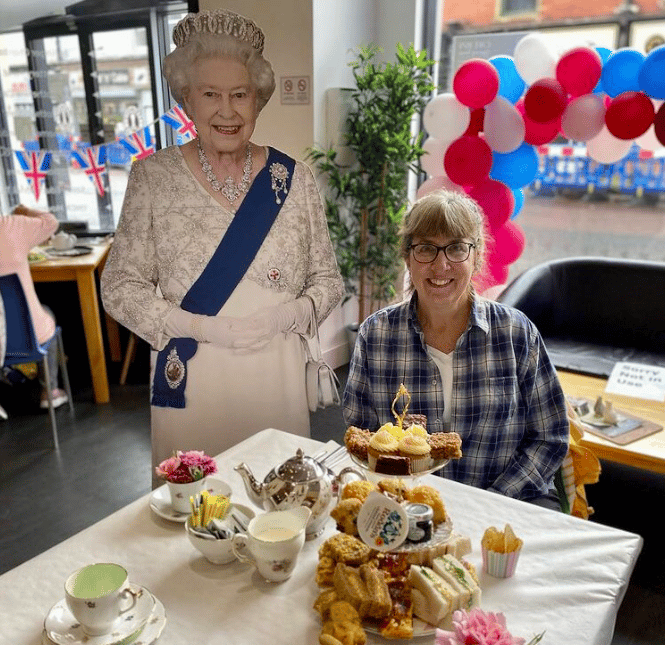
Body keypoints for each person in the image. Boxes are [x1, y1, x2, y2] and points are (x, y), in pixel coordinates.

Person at [101, 9, 343, 473]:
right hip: (194, 379)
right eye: (210, 94)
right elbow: (120, 287)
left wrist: (287, 315)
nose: (227, 111)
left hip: (276, 377)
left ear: (259, 100)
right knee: (197, 517)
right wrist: (199, 328)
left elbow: (327, 280)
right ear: (187, 100)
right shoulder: (152, 178)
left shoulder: (293, 180)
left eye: (240, 94)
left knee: (278, 510)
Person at [343, 190, 568, 509]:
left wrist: (490, 500)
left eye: (456, 248)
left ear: (476, 256)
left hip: (509, 497)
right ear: (408, 257)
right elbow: (362, 440)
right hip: (408, 501)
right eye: (425, 249)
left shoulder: (516, 333)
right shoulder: (375, 336)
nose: (441, 265)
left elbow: (550, 436)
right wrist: (407, 498)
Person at [0, 205, 69, 409]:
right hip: (23, 337)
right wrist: (24, 210)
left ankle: (9, 374)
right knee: (46, 313)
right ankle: (51, 392)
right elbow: (51, 223)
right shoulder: (10, 226)